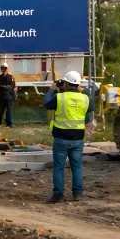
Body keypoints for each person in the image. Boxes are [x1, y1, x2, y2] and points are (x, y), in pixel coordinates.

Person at [44, 70, 95, 203]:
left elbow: (47, 104)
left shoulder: (60, 97)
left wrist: (52, 90)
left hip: (61, 138)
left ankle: (58, 195)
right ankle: (77, 193)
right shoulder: (84, 98)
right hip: (78, 139)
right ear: (78, 85)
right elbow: (91, 107)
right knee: (77, 167)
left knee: (59, 167)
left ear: (65, 84)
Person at [0, 63, 17, 128]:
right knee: (5, 111)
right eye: (2, 68)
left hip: (5, 96)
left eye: (3, 68)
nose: (3, 69)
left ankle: (5, 124)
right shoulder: (9, 77)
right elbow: (13, 86)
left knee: (4, 111)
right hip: (5, 96)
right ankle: (8, 124)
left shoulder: (1, 77)